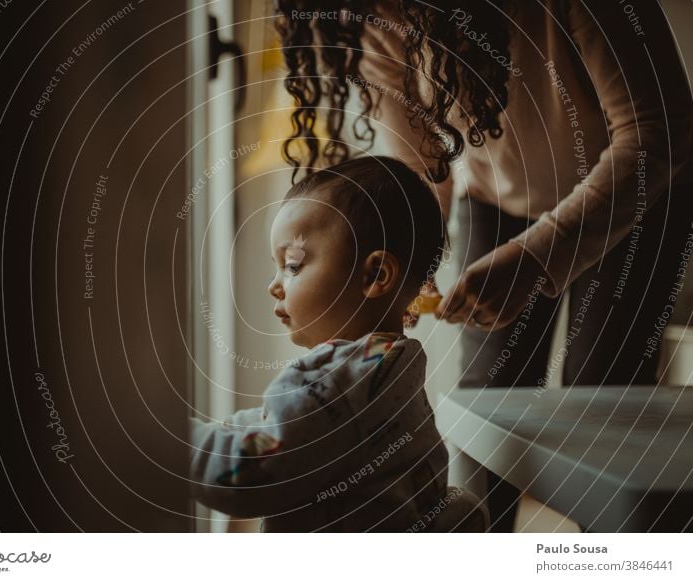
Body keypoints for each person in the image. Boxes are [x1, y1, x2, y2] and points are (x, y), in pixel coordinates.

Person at [274, 0, 693, 531]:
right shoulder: (371, 15)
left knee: (601, 408)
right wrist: (409, 253)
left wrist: (541, 253)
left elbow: (658, 127)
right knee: (485, 405)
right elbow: (420, 162)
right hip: (496, 200)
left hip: (638, 199)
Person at [190, 156, 450, 532]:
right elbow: (292, 426)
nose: (274, 285)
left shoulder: (335, 382)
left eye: (293, 265)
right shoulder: (392, 365)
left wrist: (173, 437)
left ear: (375, 275)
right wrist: (228, 428)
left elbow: (244, 477)